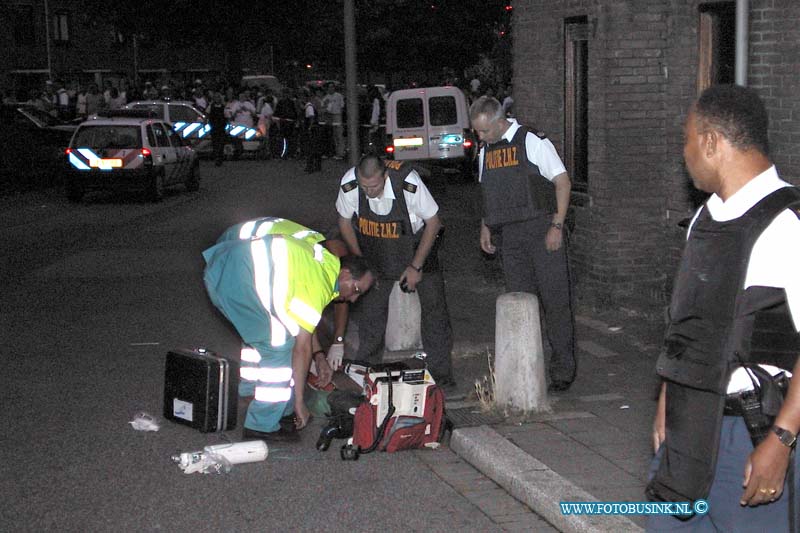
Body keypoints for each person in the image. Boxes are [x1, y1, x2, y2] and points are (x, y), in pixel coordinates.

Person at [646, 84, 800, 531]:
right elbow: (688, 323)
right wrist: (665, 396)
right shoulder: (704, 217)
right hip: (687, 428)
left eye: (687, 139)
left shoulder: (788, 225)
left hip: (752, 437)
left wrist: (782, 440)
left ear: (711, 142)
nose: (685, 152)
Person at [203, 230, 374, 442]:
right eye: (356, 290)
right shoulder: (319, 285)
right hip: (236, 280)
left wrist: (319, 357)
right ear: (346, 274)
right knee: (279, 345)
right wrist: (299, 403)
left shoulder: (324, 266)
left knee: (266, 336)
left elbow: (303, 326)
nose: (354, 299)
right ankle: (261, 426)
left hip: (224, 269)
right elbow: (301, 347)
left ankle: (258, 396)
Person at [469, 96, 576, 392]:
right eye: (477, 131)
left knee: (555, 303)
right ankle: (525, 368)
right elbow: (488, 190)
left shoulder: (531, 141)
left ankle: (562, 371)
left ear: (499, 122)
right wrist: (485, 226)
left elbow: (562, 182)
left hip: (542, 229)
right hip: (511, 236)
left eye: (483, 131)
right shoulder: (486, 150)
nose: (480, 137)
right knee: (521, 304)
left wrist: (557, 225)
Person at [335, 155, 457, 393]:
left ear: (385, 177)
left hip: (417, 244)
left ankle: (441, 376)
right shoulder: (350, 183)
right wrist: (361, 261)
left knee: (435, 310)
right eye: (364, 186)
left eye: (374, 186)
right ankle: (367, 373)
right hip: (375, 248)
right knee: (370, 312)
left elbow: (434, 223)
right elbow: (344, 221)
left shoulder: (407, 183)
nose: (368, 192)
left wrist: (416, 266)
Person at [322, 82, 345, 159]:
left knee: (339, 135)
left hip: (337, 115)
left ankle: (340, 153)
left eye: (332, 87)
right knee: (332, 136)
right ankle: (333, 152)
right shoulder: (326, 97)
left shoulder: (339, 96)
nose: (331, 89)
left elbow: (342, 106)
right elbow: (323, 107)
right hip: (329, 116)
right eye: (329, 87)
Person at [207, 91, 227, 167]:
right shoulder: (210, 106)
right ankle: (216, 159)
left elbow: (226, 117)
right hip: (214, 128)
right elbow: (207, 115)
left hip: (221, 128)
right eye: (215, 97)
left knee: (221, 145)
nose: (217, 99)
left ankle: (220, 159)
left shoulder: (223, 107)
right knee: (215, 144)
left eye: (218, 97)